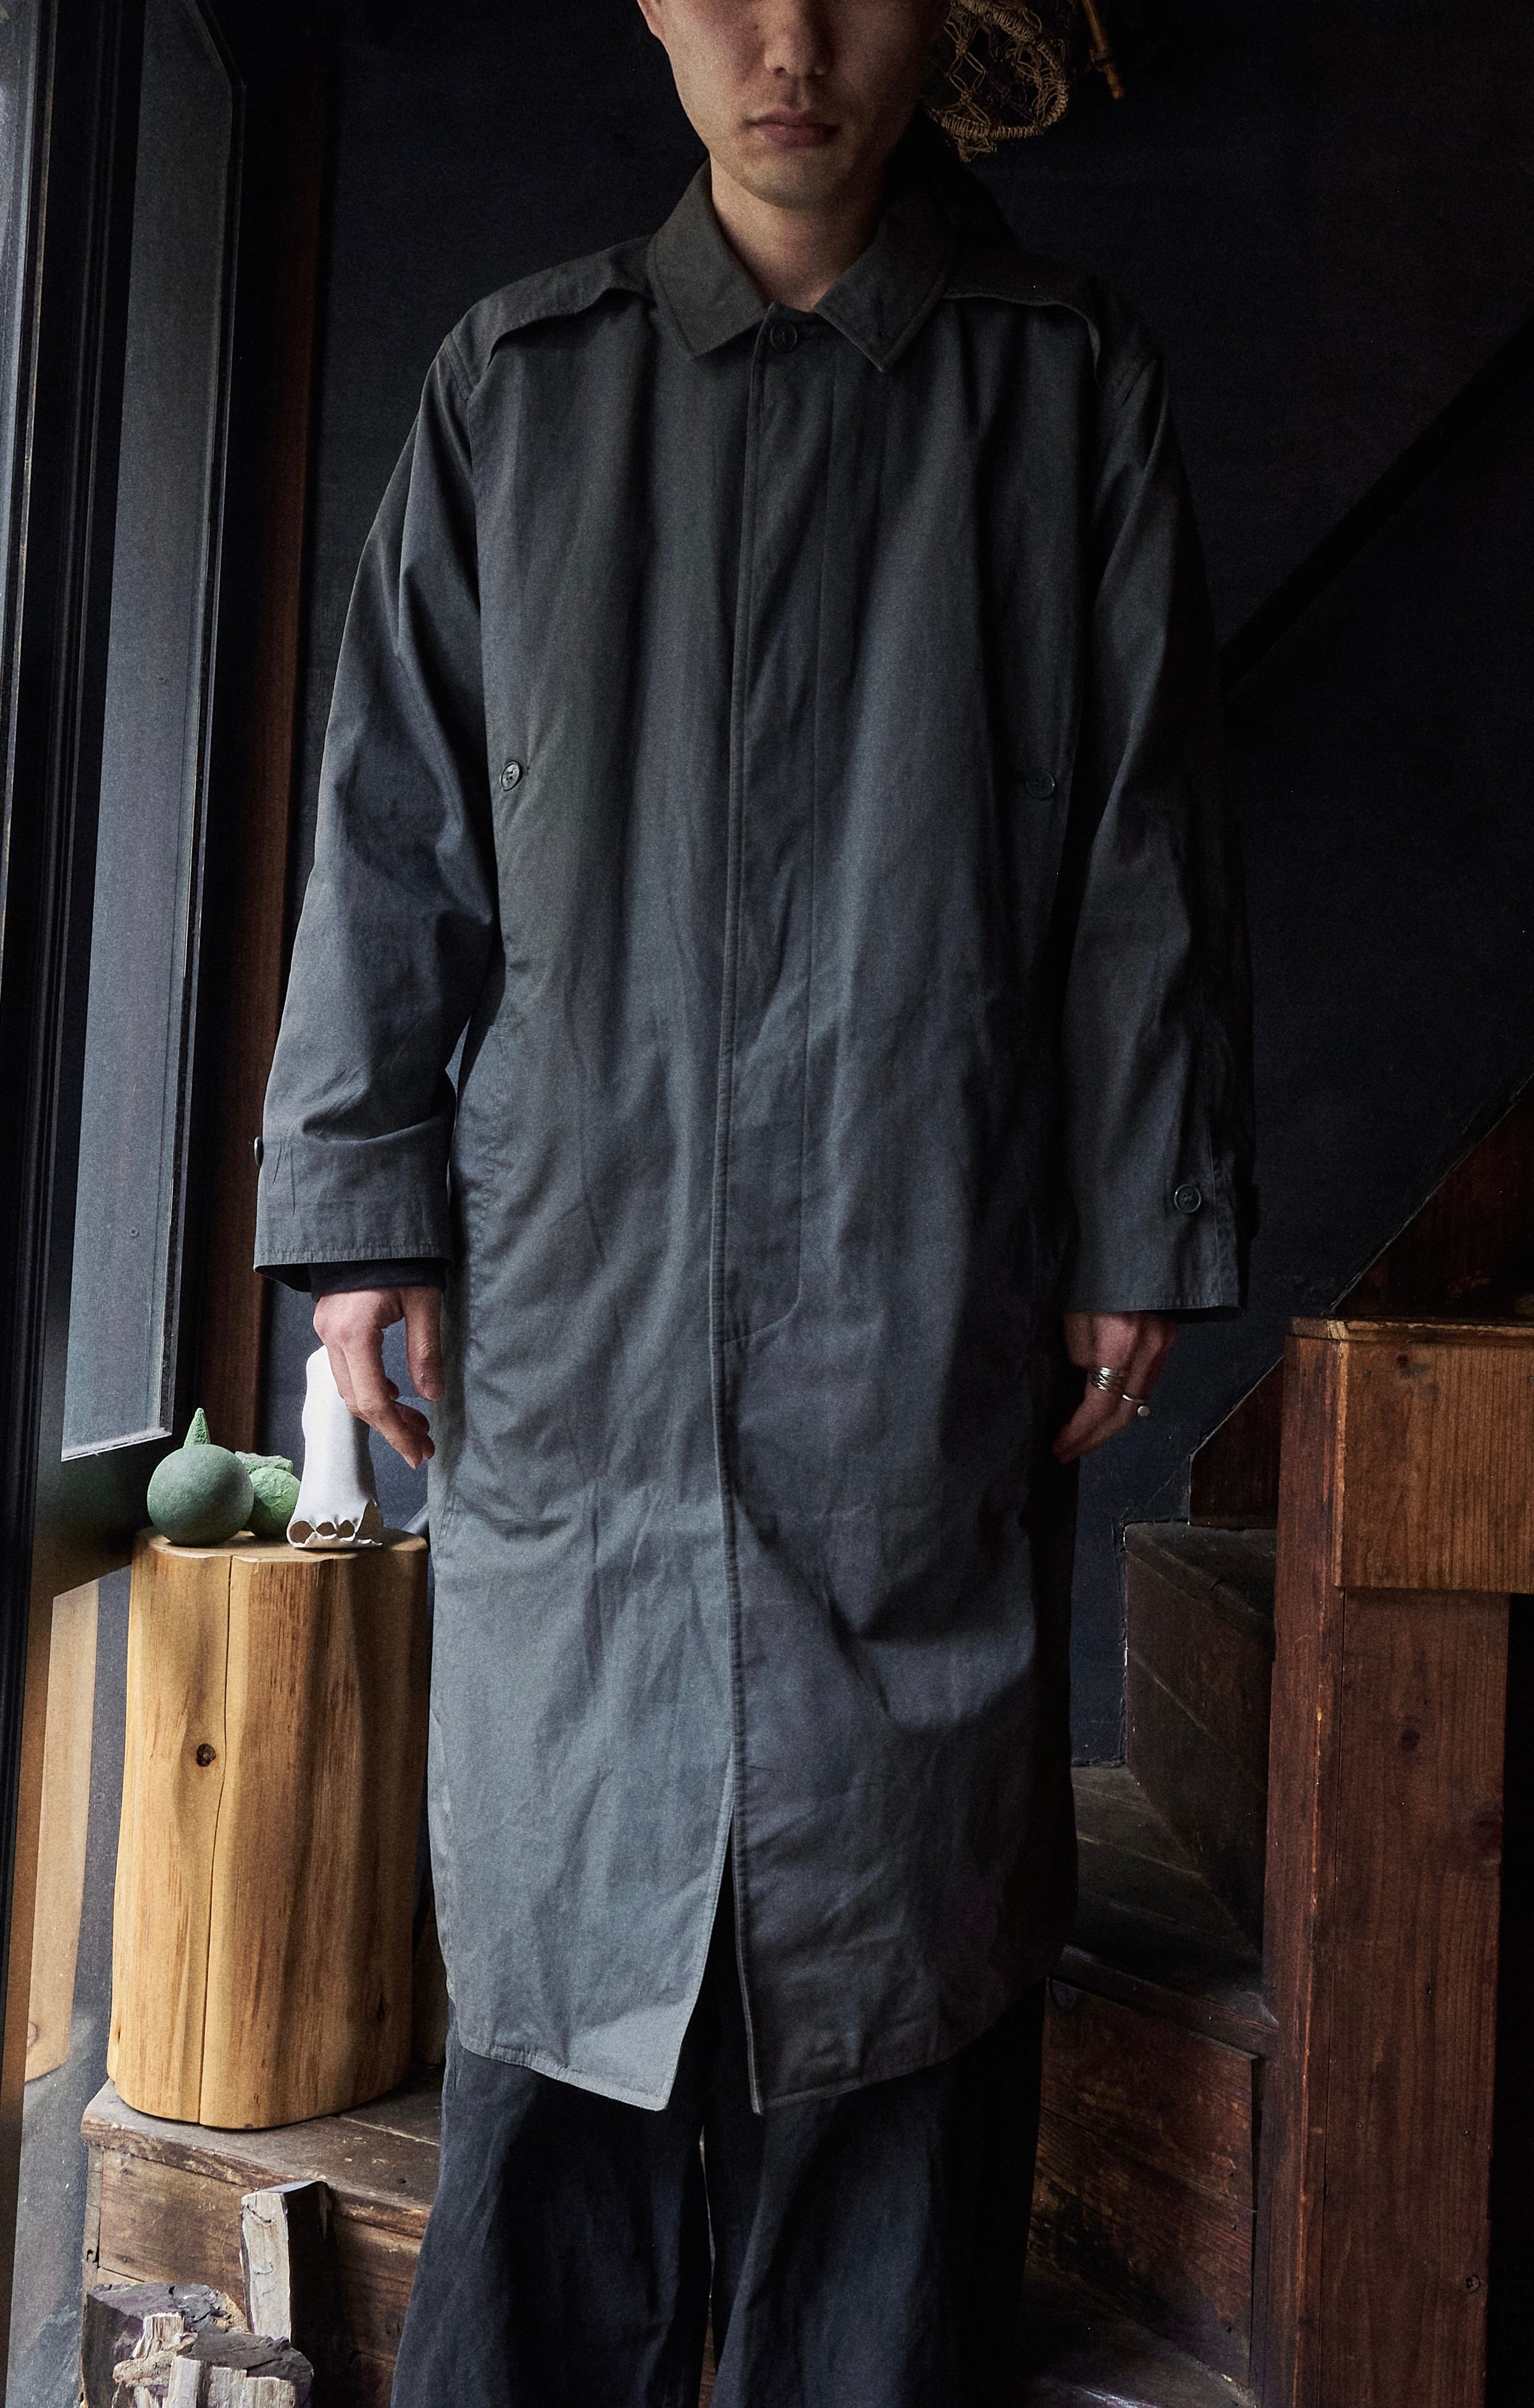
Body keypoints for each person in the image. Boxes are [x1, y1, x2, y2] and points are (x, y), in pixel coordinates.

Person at [256, 1, 1253, 2399]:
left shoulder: (1060, 387)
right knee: (565, 1974)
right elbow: (392, 823)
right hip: (578, 1292)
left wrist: (1139, 1213)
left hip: (921, 1274)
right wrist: (361, 1200)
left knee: (894, 1970)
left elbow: (1144, 836)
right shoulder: (520, 388)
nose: (786, 42)